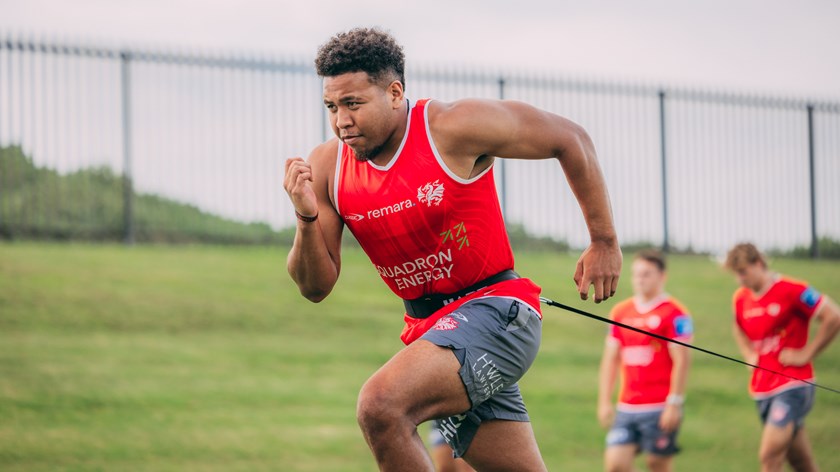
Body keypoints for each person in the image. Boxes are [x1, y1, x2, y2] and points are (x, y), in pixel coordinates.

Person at [284, 27, 622, 471]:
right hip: (433, 333)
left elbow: (570, 138)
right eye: (331, 106)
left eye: (353, 104)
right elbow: (315, 286)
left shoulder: (450, 127)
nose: (341, 120)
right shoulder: (329, 166)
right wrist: (306, 217)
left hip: (497, 314)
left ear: (394, 92)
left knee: (381, 407)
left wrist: (603, 241)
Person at [725, 243, 840, 472]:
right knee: (801, 462)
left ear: (758, 263)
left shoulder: (793, 290)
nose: (740, 279)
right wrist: (748, 354)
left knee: (769, 456)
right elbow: (737, 326)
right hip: (761, 388)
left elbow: (833, 317)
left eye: (743, 272)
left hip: (793, 385)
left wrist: (807, 353)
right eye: (736, 274)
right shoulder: (740, 298)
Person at [597, 250, 693, 472]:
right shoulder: (620, 312)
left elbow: (682, 361)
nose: (640, 279)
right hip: (627, 406)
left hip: (660, 406)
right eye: (636, 274)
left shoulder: (675, 313)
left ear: (662, 276)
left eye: (646, 274)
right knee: (616, 465)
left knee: (657, 465)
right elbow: (610, 360)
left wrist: (674, 403)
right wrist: (604, 401)